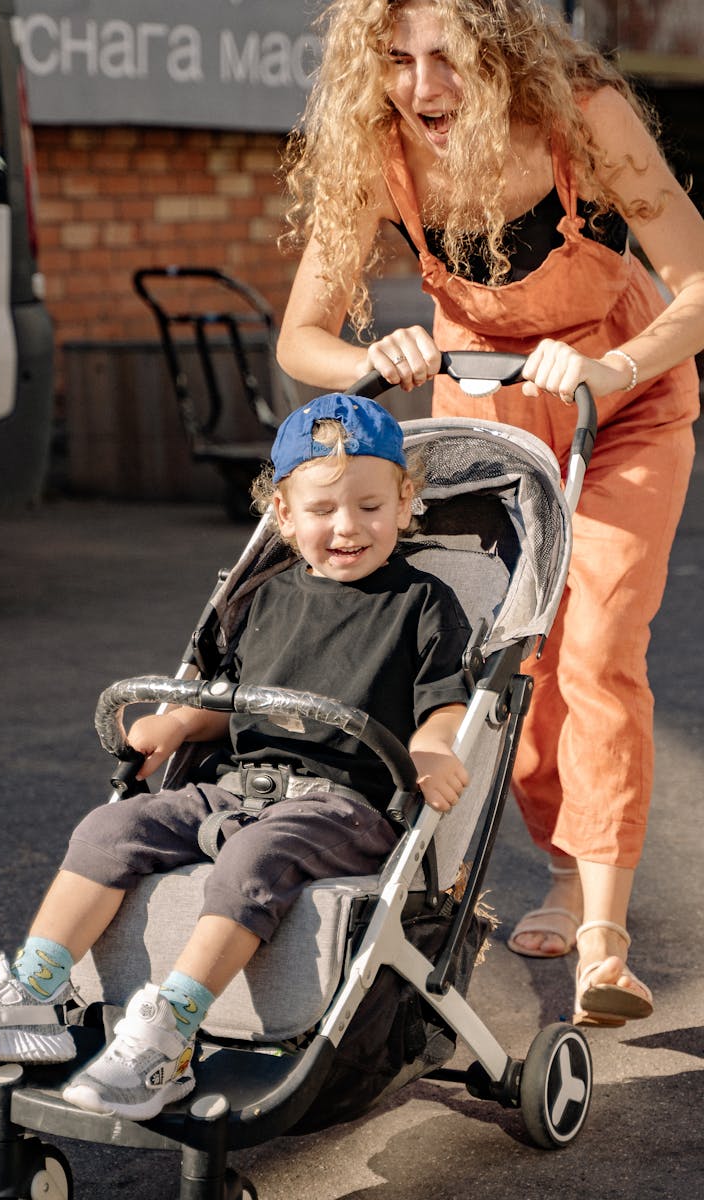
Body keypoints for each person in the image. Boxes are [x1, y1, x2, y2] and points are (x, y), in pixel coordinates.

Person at [275, 0, 704, 1026]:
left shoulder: (584, 116)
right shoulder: (380, 149)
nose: (420, 86)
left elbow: (695, 279)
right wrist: (372, 361)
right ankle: (558, 866)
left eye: (447, 59)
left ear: (502, 58)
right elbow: (303, 337)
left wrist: (611, 366)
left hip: (624, 399)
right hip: (487, 407)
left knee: (596, 639)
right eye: (395, 60)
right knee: (511, 652)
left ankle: (600, 937)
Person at [0, 393, 471, 1120]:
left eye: (370, 506)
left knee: (252, 861)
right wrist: (177, 721)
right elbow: (225, 697)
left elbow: (445, 702)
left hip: (345, 804)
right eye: (324, 510)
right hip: (234, 788)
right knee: (109, 830)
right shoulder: (261, 598)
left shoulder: (423, 603)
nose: (348, 527)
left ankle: (169, 1031)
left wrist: (431, 753)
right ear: (285, 517)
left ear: (405, 501)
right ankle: (34, 992)